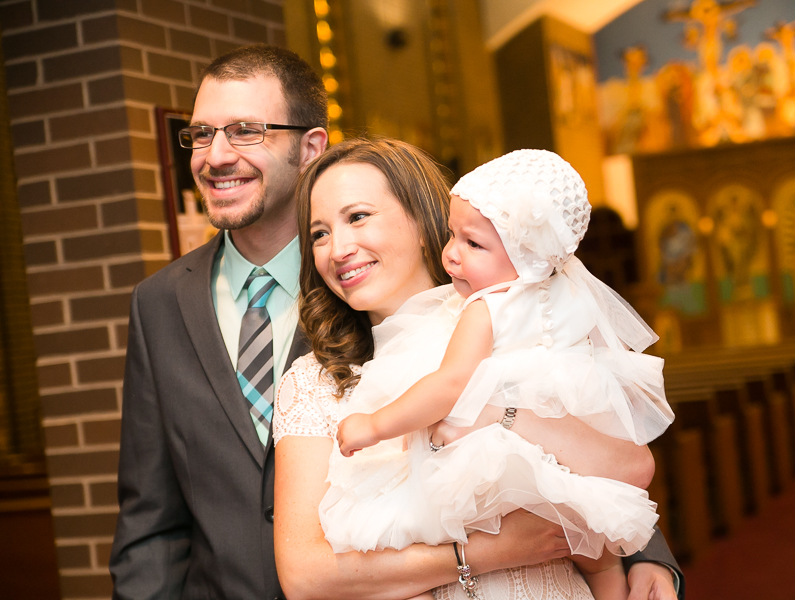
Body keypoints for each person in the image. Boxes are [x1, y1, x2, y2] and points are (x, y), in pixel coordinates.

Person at [274, 138, 685, 600]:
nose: (338, 248)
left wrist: (494, 411)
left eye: (357, 217)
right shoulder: (314, 381)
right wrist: (487, 552)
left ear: (425, 221)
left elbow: (630, 467)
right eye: (319, 233)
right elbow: (304, 576)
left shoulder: (507, 321)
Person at [109, 45, 328, 599]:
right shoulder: (157, 303)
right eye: (202, 134)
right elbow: (150, 522)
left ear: (310, 149)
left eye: (246, 131)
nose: (216, 156)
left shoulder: (362, 285)